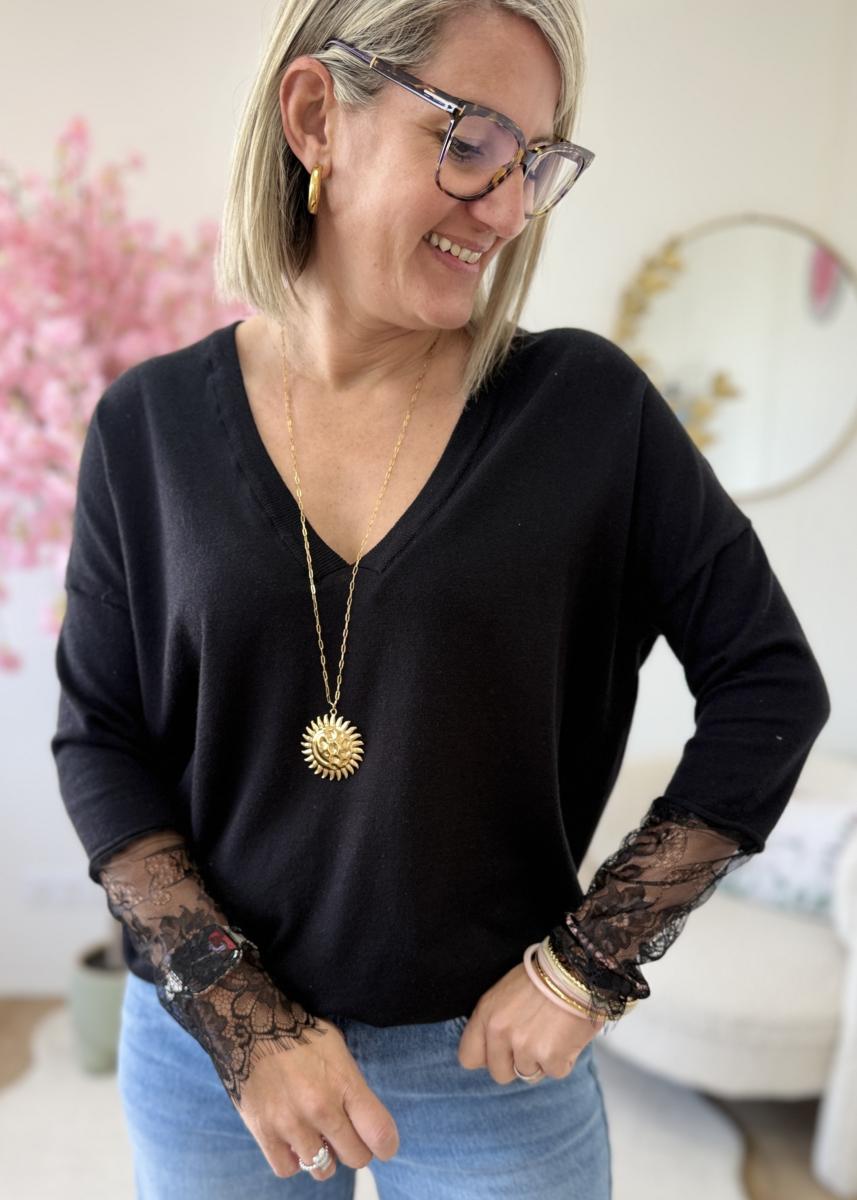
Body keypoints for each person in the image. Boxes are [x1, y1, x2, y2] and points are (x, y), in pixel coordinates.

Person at [50, 0, 830, 1196]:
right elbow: (101, 738)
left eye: (535, 163)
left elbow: (767, 684)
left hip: (486, 1070)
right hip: (218, 1057)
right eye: (470, 144)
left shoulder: (585, 411)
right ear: (316, 116)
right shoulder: (145, 427)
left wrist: (587, 963)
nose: (508, 211)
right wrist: (237, 1012)